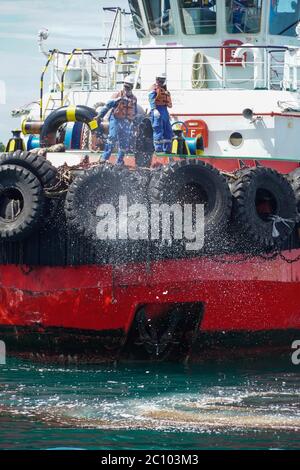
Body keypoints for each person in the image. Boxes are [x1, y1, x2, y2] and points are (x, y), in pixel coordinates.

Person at [98, 75, 137, 165]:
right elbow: (107, 106)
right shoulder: (117, 95)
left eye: (128, 86)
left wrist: (134, 122)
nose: (126, 88)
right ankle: (104, 158)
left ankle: (119, 161)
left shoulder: (134, 99)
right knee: (112, 138)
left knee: (124, 142)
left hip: (126, 121)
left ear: (132, 86)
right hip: (115, 120)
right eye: (125, 86)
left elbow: (134, 112)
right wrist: (100, 116)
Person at [149, 72, 173, 154]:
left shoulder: (165, 90)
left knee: (168, 130)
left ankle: (167, 149)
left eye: (163, 80)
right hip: (157, 111)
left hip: (164, 111)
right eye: (160, 79)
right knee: (158, 130)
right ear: (157, 79)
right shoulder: (154, 88)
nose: (161, 81)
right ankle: (158, 149)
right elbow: (151, 99)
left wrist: (167, 114)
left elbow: (168, 103)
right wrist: (154, 109)